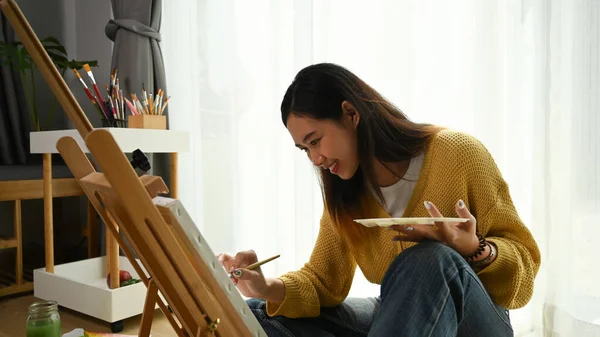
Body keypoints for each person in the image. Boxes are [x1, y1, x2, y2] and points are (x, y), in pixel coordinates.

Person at [217, 63, 541, 336]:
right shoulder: (345, 192)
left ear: (350, 113)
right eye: (306, 149)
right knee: (260, 313)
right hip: (403, 317)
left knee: (429, 259)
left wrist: (476, 249)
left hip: (474, 322)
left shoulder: (457, 153)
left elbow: (522, 276)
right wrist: (263, 287)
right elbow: (322, 282)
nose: (315, 159)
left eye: (316, 141)